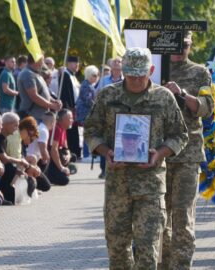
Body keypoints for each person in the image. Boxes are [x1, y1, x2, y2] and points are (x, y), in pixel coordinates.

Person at [84, 47, 188, 269]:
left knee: (147, 250)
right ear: (122, 70)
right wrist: (105, 152)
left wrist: (160, 153)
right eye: (130, 75)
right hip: (117, 187)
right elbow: (91, 131)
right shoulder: (108, 95)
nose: (135, 80)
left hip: (150, 186)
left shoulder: (163, 98)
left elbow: (180, 134)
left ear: (151, 70)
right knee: (117, 251)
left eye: (140, 75)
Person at [160, 30, 214, 269]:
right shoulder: (155, 69)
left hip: (187, 154)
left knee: (182, 216)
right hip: (157, 153)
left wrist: (181, 93)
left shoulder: (199, 72)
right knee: (158, 216)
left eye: (185, 44)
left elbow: (206, 108)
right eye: (176, 44)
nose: (181, 49)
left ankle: (180, 265)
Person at [0, 112, 31, 204]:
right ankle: (2, 194)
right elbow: (4, 158)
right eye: (15, 125)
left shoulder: (4, 138)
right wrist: (20, 161)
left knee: (25, 178)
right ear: (7, 124)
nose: (16, 129)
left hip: (2, 167)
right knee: (11, 170)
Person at [97, 57, 124, 179]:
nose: (117, 64)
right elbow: (96, 94)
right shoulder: (103, 81)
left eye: (119, 62)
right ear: (111, 66)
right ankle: (104, 169)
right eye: (115, 62)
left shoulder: (126, 80)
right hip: (106, 116)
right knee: (106, 143)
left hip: (122, 116)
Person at [17, 53, 62, 121]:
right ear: (37, 60)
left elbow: (43, 93)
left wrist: (54, 101)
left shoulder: (36, 73)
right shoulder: (27, 74)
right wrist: (52, 106)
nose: (43, 63)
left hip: (39, 116)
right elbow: (34, 96)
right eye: (42, 60)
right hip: (32, 116)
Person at [60, 56, 81, 159]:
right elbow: (66, 93)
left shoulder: (73, 76)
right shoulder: (65, 75)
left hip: (75, 107)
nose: (76, 65)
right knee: (70, 131)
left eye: (77, 63)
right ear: (68, 64)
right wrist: (69, 108)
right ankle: (71, 152)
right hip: (69, 108)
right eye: (74, 63)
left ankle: (75, 151)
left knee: (74, 131)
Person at [75, 65, 99, 158]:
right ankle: (86, 154)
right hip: (85, 113)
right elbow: (88, 99)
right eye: (94, 75)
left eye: (97, 75)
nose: (96, 77)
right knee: (87, 133)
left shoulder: (88, 84)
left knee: (88, 132)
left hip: (87, 112)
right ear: (89, 75)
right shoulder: (86, 85)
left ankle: (87, 153)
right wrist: (96, 106)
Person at [47, 109, 75, 186]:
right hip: (49, 158)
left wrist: (68, 155)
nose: (72, 120)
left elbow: (65, 146)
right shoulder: (56, 129)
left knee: (73, 156)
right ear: (62, 120)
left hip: (58, 153)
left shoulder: (63, 128)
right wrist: (61, 168)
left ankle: (62, 169)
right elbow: (53, 150)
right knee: (64, 180)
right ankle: (49, 174)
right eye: (70, 118)